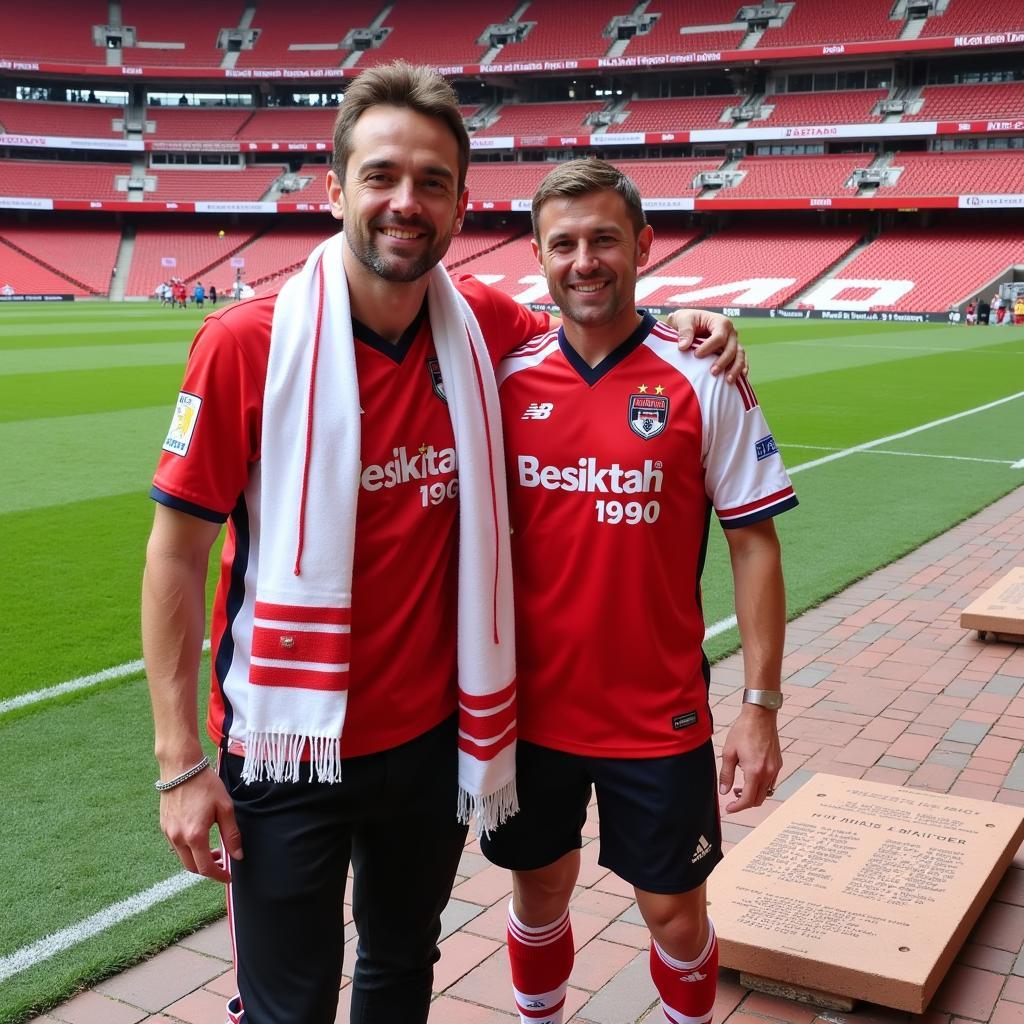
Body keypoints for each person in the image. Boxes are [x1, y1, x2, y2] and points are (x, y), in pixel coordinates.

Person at [141, 64, 744, 1024]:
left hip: (429, 743)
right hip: (288, 746)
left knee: (399, 973)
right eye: (381, 176)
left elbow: (599, 325)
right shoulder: (245, 344)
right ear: (334, 189)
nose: (404, 202)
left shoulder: (484, 331)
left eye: (432, 182)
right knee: (285, 1004)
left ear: (461, 205)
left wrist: (694, 327)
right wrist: (180, 760)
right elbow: (174, 554)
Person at [481, 159, 796, 1024]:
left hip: (657, 715)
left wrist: (759, 704)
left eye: (605, 240)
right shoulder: (504, 380)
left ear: (644, 246)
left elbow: (754, 541)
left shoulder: (702, 373)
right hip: (529, 713)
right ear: (538, 258)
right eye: (564, 244)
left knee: (674, 911)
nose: (585, 261)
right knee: (539, 888)